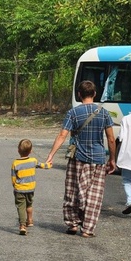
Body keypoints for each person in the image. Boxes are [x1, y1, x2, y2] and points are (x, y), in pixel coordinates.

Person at [46, 80, 116, 238]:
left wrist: (51, 155)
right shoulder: (104, 113)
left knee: (73, 190)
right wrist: (112, 159)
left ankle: (72, 223)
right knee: (94, 194)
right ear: (95, 94)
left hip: (78, 158)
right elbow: (111, 139)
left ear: (79, 94)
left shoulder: (72, 113)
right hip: (98, 159)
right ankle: (87, 229)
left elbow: (62, 135)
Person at [10, 139, 51, 236]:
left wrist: (15, 186)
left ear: (18, 150)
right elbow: (42, 165)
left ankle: (22, 226)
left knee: (21, 207)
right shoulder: (33, 161)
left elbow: (13, 177)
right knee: (29, 205)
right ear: (31, 151)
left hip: (19, 189)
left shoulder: (15, 163)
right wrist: (48, 165)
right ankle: (30, 220)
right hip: (31, 188)